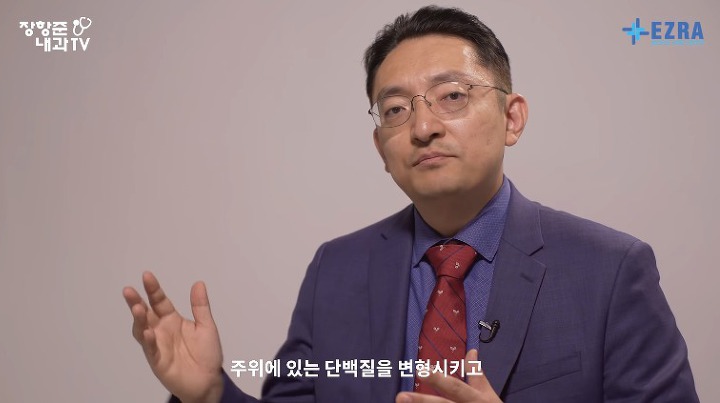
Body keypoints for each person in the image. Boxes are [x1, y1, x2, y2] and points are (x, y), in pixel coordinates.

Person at [123, 6, 699, 403]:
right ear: (381, 147)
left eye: (452, 96)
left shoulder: (610, 270)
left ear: (512, 118)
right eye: (396, 109)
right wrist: (211, 395)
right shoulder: (336, 270)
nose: (423, 127)